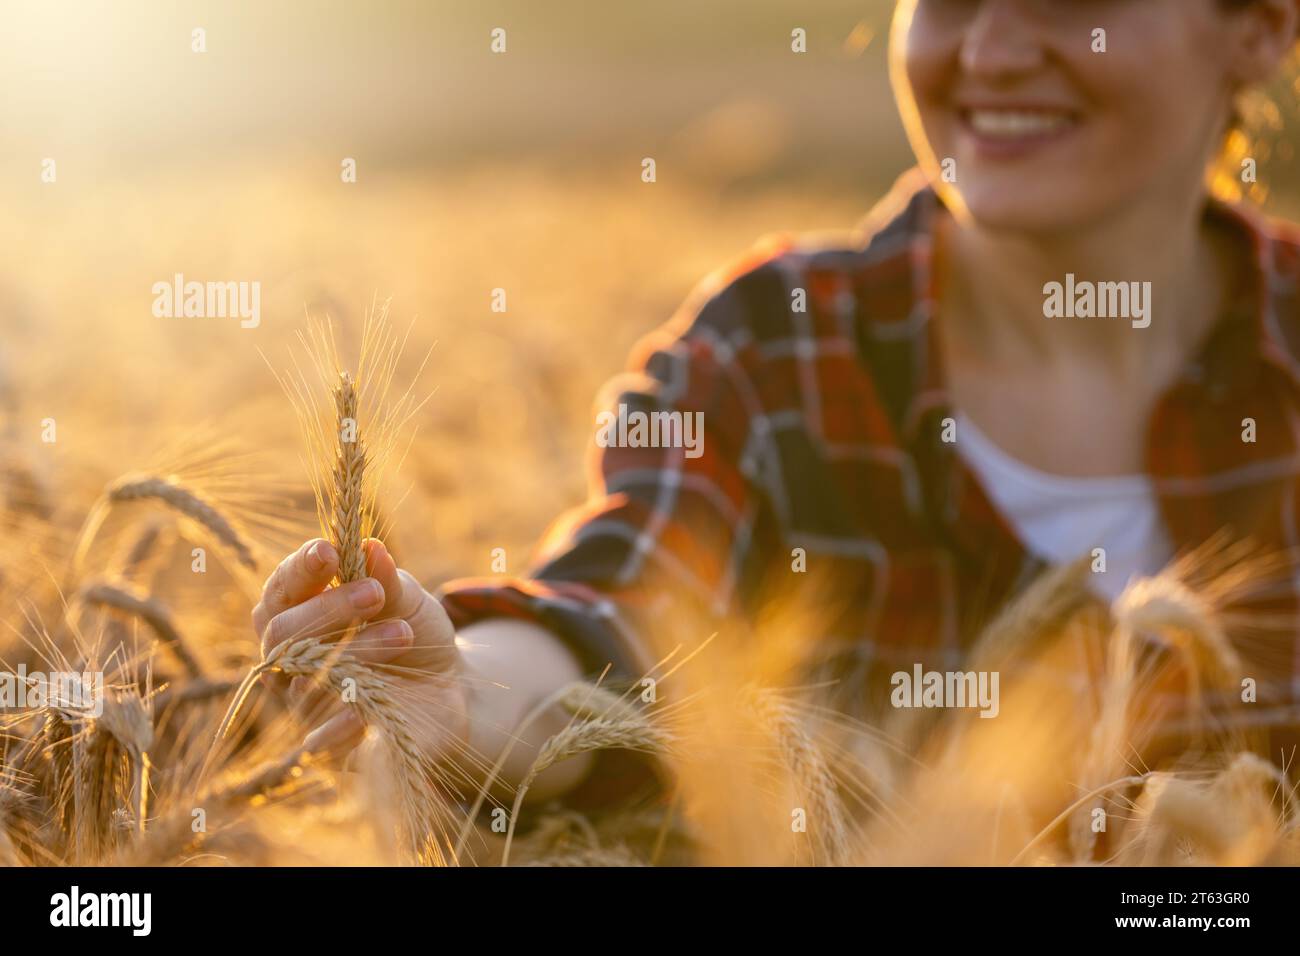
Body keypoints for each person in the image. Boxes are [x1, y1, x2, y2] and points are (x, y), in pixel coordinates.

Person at [252, 0, 1300, 807]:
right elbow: (622, 611)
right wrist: (453, 694)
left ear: (1257, 28)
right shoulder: (776, 346)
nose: (986, 53)